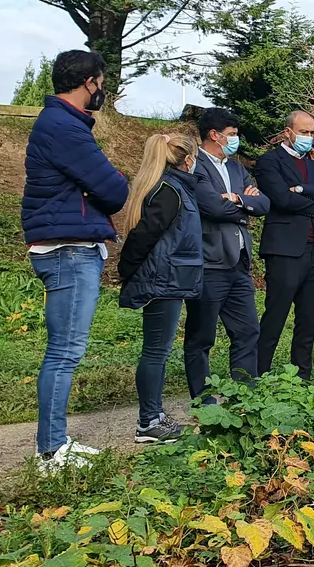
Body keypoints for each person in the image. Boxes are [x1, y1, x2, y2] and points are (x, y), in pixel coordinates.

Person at [21, 50, 129, 470]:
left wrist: (95, 188)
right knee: (65, 350)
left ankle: (55, 440)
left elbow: (99, 187)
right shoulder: (65, 126)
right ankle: (50, 450)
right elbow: (115, 190)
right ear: (91, 83)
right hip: (69, 250)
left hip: (69, 245)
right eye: (102, 83)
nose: (102, 90)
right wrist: (105, 185)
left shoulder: (60, 124)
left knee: (65, 348)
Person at [118, 134, 202, 444]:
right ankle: (148, 422)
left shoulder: (173, 187)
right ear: (188, 160)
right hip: (162, 280)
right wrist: (126, 270)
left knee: (158, 351)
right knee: (156, 351)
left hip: (168, 279)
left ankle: (154, 415)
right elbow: (144, 235)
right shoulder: (170, 191)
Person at [184, 108, 269, 403]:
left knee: (247, 331)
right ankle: (205, 402)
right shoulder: (195, 166)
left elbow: (265, 204)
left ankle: (245, 399)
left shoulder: (235, 168)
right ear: (214, 135)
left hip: (239, 263)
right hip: (208, 263)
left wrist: (238, 199)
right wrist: (246, 204)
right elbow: (213, 208)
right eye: (232, 134)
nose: (236, 139)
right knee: (201, 337)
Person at [254, 111, 314, 379]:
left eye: (313, 133)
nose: (309, 138)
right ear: (288, 132)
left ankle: (301, 379)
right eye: (304, 132)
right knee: (275, 316)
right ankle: (258, 376)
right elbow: (281, 199)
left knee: (308, 320)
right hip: (284, 250)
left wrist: (302, 190)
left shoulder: (311, 166)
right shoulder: (270, 162)